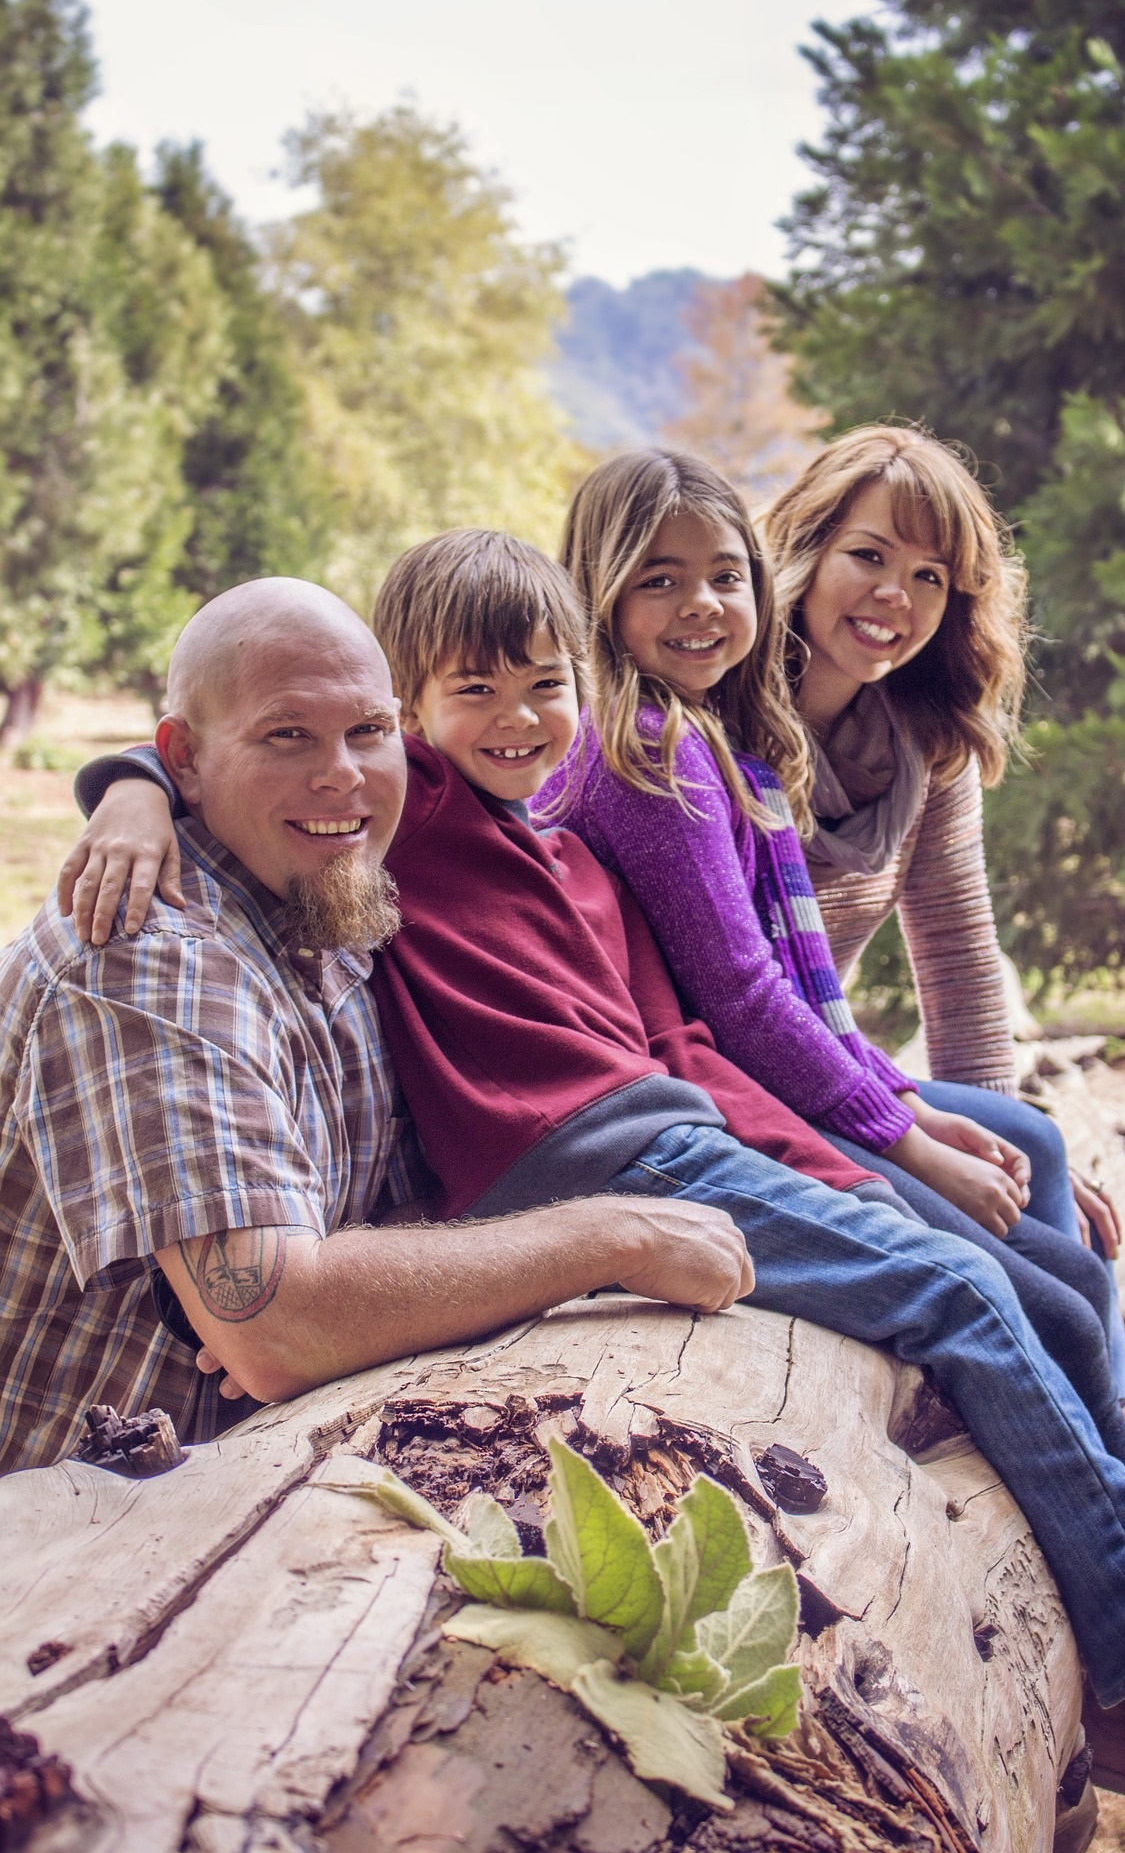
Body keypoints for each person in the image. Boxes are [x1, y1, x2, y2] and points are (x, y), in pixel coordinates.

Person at [60, 537, 1125, 1747]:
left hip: (672, 1143)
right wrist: (127, 785)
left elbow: (684, 1050)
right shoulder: (412, 816)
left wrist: (846, 1169)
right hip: (574, 1167)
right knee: (957, 1290)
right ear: (425, 711)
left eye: (545, 686)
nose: (513, 717)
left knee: (993, 1276)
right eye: (470, 692)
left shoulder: (568, 854)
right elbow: (277, 727)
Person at [0, 578, 755, 1477]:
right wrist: (616, 1238)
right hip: (68, 1540)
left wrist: (322, 1288)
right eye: (289, 736)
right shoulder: (149, 960)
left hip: (253, 1474)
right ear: (184, 763)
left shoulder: (336, 907)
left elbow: (355, 1244)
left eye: (368, 732)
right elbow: (276, 1330)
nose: (342, 774)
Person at [540, 445, 1125, 1403]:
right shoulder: (712, 708)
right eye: (869, 556)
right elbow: (742, 990)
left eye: (930, 576)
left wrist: (992, 1166)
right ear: (805, 553)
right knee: (1035, 1275)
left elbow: (956, 953)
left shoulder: (921, 741)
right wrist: (919, 1145)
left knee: (1037, 1151)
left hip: (827, 1052)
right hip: (733, 1072)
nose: (895, 595)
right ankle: (1119, 1480)